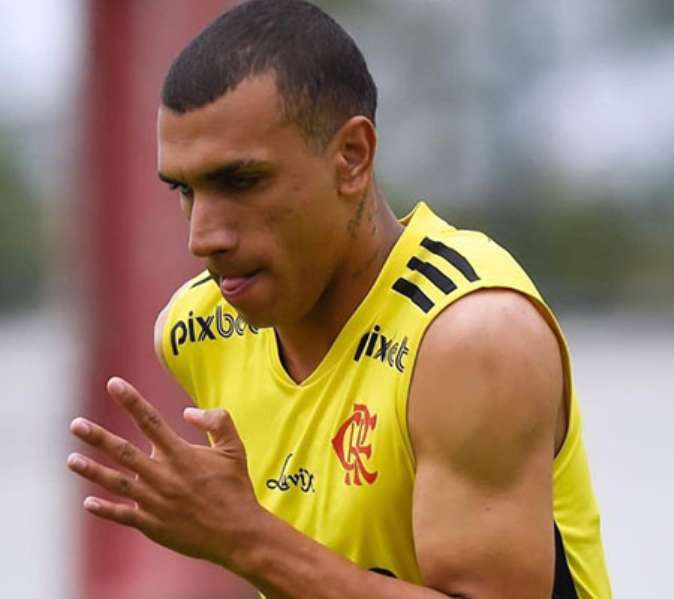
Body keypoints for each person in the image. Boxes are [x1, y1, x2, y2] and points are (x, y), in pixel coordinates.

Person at [67, 1, 611, 597]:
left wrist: (244, 539)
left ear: (351, 157)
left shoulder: (471, 337)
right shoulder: (195, 331)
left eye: (241, 181)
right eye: (184, 189)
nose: (203, 238)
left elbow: (260, 547)